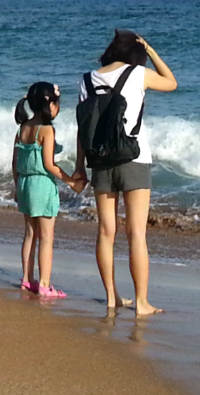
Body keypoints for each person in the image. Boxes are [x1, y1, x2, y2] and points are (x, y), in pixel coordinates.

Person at [75, 29, 177, 316]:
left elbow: (83, 128)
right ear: (136, 53)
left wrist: (80, 166)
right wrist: (152, 51)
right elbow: (171, 82)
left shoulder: (87, 79)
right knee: (136, 234)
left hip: (100, 160)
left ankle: (111, 297)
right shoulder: (138, 73)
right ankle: (141, 302)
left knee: (105, 231)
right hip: (134, 158)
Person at [14, 81, 83, 299]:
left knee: (30, 234)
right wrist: (71, 182)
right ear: (50, 105)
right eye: (57, 103)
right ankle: (44, 284)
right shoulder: (46, 130)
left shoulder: (22, 128)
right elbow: (49, 165)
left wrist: (17, 186)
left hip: (24, 183)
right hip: (42, 185)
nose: (58, 107)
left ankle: (27, 279)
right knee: (46, 237)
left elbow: (14, 163)